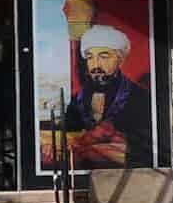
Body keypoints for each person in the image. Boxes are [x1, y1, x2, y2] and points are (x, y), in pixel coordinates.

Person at [62, 24, 149, 166]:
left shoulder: (138, 96)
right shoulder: (78, 99)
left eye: (103, 57)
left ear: (120, 60)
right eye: (90, 58)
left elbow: (141, 147)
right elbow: (70, 133)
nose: (95, 65)